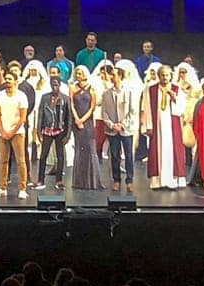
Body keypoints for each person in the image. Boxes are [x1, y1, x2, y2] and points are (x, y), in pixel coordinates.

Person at [141, 64, 187, 190]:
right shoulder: (151, 89)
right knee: (157, 150)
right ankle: (157, 181)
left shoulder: (177, 89)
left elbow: (182, 108)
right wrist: (148, 125)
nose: (164, 77)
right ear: (158, 76)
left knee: (173, 150)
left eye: (167, 75)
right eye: (162, 75)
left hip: (172, 124)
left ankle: (173, 180)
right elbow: (147, 108)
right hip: (157, 125)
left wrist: (174, 98)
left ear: (170, 76)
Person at [0, 69, 30, 200]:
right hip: (2, 132)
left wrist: (12, 132)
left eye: (10, 79)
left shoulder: (21, 96)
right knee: (2, 161)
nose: (7, 81)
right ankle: (2, 187)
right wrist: (2, 131)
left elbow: (23, 118)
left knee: (21, 161)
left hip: (17, 132)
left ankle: (22, 189)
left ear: (15, 81)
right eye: (6, 79)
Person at [100, 63, 139, 193]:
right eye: (111, 74)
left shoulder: (129, 92)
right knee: (114, 155)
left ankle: (129, 180)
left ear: (120, 76)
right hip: (112, 130)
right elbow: (104, 112)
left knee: (128, 155)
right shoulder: (106, 93)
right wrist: (112, 125)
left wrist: (122, 124)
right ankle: (116, 180)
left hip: (126, 129)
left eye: (114, 75)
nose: (111, 76)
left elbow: (133, 110)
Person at [69, 65, 104, 190]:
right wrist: (77, 119)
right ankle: (79, 181)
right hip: (76, 122)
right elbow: (71, 104)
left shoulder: (92, 88)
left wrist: (82, 120)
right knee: (79, 149)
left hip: (87, 123)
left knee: (90, 149)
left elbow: (92, 107)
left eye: (80, 73)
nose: (78, 75)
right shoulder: (72, 88)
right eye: (77, 73)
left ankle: (92, 181)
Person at [34, 69, 70, 189]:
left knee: (60, 156)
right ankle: (40, 180)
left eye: (57, 84)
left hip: (60, 130)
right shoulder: (45, 98)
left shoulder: (65, 99)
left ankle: (59, 180)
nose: (55, 87)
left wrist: (68, 134)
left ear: (60, 85)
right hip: (47, 130)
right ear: (50, 85)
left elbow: (69, 117)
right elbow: (40, 115)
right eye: (53, 84)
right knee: (43, 155)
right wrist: (38, 130)